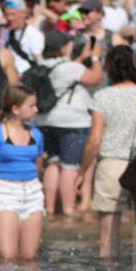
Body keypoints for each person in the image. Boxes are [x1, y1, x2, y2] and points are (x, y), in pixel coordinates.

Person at [76, 45, 136, 260]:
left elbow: (94, 141)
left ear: (110, 68)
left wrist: (82, 172)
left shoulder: (103, 96)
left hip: (111, 165)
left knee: (108, 239)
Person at [0, 84, 45, 262]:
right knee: (8, 257)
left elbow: (39, 167)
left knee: (30, 258)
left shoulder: (36, 134)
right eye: (31, 105)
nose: (36, 109)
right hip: (6, 193)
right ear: (16, 109)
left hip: (33, 194)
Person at [33, 29, 102, 217]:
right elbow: (95, 78)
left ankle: (49, 209)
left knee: (52, 164)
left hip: (44, 122)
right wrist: (95, 58)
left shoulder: (40, 65)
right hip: (72, 124)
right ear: (63, 48)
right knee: (69, 167)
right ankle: (68, 210)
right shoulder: (70, 67)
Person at [2, 0, 44, 75]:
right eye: (6, 15)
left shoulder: (33, 34)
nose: (9, 18)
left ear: (24, 13)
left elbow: (40, 62)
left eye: (12, 14)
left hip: (27, 78)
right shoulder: (5, 32)